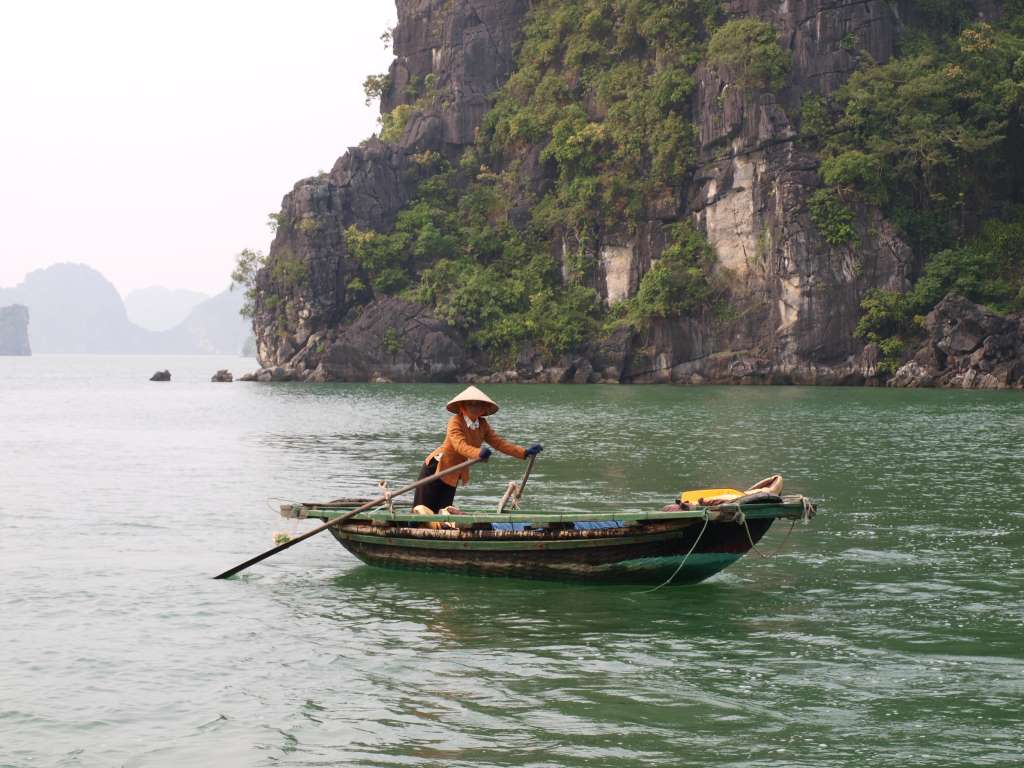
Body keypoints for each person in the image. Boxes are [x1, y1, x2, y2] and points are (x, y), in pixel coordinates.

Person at [412, 385, 542, 513]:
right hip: (436, 467)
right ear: (463, 406)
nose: (474, 408)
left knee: (444, 512)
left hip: (454, 472)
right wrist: (478, 453)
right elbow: (459, 445)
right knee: (422, 510)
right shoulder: (455, 421)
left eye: (478, 404)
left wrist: (524, 452)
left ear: (483, 408)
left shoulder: (483, 425)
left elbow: (500, 444)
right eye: (470, 404)